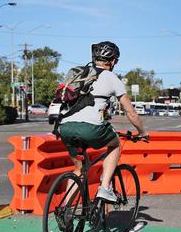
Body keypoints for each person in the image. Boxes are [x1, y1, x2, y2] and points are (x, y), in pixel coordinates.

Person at [59, 41, 148, 202]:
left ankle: (64, 210)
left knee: (78, 169)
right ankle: (105, 188)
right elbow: (131, 112)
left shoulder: (78, 73)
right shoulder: (111, 77)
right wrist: (142, 132)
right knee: (114, 145)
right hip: (90, 128)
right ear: (113, 61)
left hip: (64, 127)